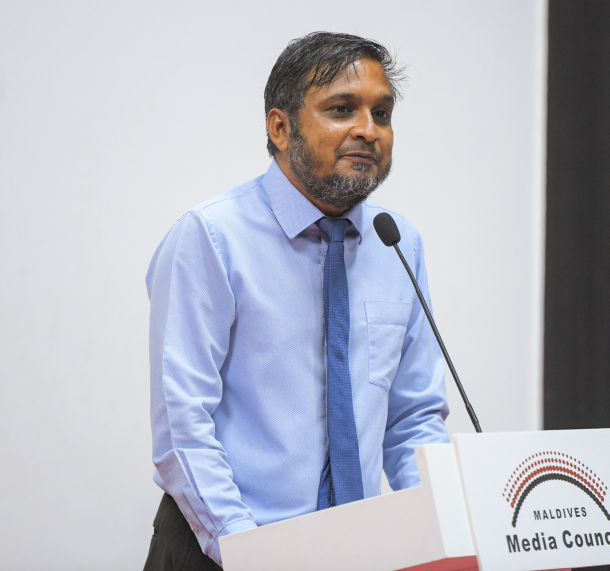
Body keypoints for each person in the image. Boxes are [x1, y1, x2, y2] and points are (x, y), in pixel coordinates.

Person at [143, 32, 450, 570]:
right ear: (280, 128)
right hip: (224, 550)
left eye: (381, 113)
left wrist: (444, 531)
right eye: (341, 109)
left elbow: (413, 418)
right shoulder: (211, 237)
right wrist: (252, 554)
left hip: (357, 553)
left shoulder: (398, 243)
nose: (368, 129)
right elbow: (183, 428)